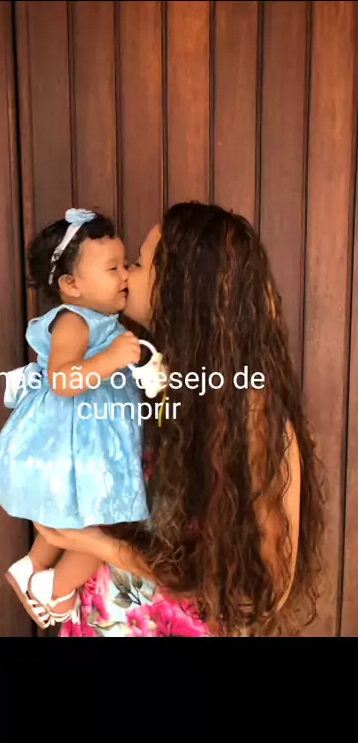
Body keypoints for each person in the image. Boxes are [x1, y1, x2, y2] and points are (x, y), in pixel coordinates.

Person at [36, 201, 326, 637]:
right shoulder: (151, 379)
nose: (125, 274)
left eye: (137, 264)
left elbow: (264, 587)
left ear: (181, 288)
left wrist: (97, 544)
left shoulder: (252, 413)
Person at [0, 208, 150, 629]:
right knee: (102, 522)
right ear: (71, 285)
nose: (125, 275)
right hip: (78, 438)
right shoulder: (74, 322)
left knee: (73, 514)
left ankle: (31, 568)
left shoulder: (105, 322)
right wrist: (112, 359)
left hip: (96, 434)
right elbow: (62, 379)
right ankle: (56, 589)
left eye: (126, 264)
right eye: (113, 268)